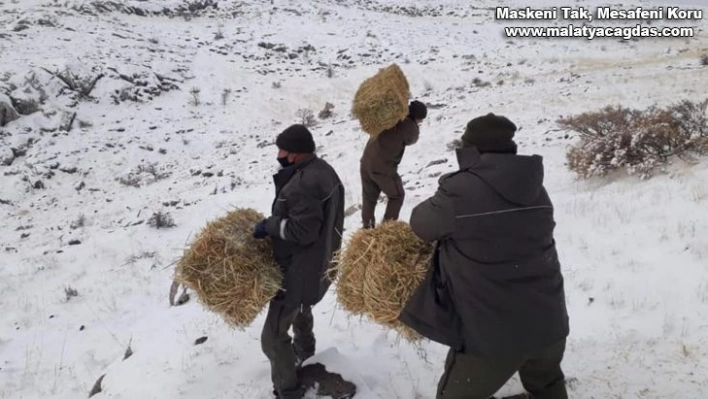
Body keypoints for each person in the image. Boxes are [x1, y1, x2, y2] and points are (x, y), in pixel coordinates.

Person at [399, 113, 570, 399]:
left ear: (471, 151)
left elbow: (420, 225)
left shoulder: (459, 191)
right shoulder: (537, 189)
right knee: (547, 387)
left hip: (493, 336)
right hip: (549, 325)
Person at [253, 124, 345, 399]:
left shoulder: (303, 184)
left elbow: (302, 232)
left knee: (273, 336)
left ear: (293, 154)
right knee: (302, 310)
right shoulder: (322, 170)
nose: (278, 154)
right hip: (318, 262)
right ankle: (306, 356)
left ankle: (289, 391)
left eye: (281, 149)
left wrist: (270, 225)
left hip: (299, 268)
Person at [359, 100, 427, 228]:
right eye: (420, 119)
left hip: (366, 162)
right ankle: (386, 230)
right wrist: (414, 125)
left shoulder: (391, 115)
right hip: (382, 167)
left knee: (369, 198)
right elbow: (412, 139)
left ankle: (366, 230)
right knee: (397, 196)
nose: (421, 122)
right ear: (416, 117)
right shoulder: (408, 126)